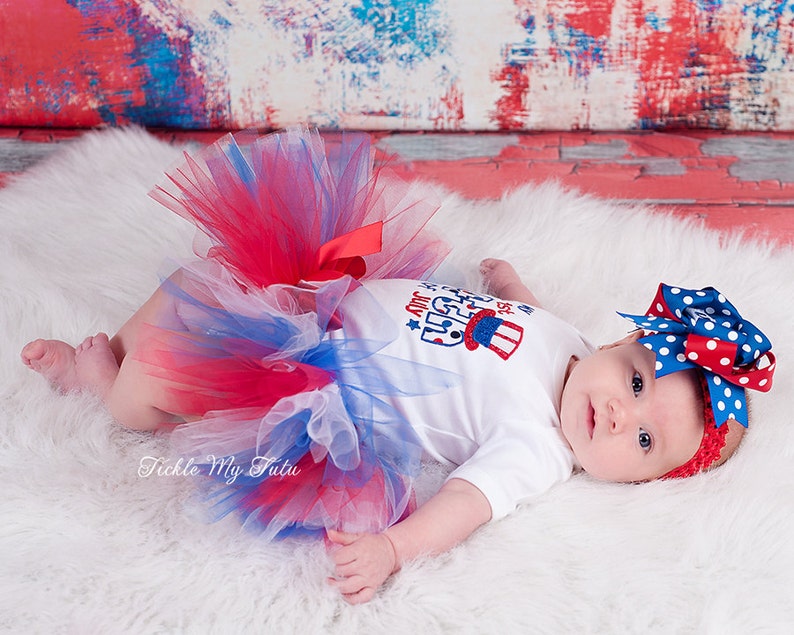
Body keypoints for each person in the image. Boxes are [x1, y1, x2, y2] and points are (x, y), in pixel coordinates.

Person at [20, 128, 775, 604]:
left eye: (643, 442)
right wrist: (509, 286)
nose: (619, 414)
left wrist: (393, 548)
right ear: (617, 344)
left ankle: (107, 389)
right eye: (638, 383)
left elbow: (461, 505)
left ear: (638, 482)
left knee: (155, 394)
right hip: (327, 297)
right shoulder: (570, 343)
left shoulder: (536, 449)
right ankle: (116, 355)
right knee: (196, 283)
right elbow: (528, 316)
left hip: (315, 383)